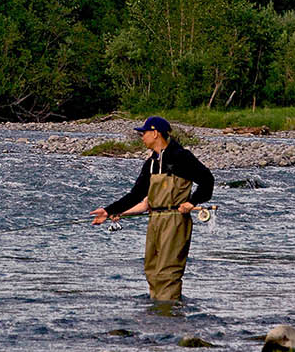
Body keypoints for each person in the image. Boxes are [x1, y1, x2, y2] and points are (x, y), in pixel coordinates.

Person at [89, 116, 214, 303]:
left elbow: (207, 180)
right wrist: (108, 212)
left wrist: (192, 202)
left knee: (168, 270)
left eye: (144, 133)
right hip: (154, 219)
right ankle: (156, 315)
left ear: (155, 133)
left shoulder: (181, 156)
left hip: (175, 220)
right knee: (152, 268)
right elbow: (136, 195)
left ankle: (169, 317)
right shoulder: (151, 163)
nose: (141, 137)